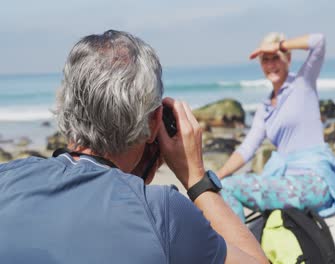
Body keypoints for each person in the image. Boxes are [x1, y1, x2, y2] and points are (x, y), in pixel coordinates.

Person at [0, 30, 268, 264]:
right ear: (155, 123)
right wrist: (196, 179)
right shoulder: (163, 213)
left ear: (67, 105)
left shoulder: (7, 179)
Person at [216, 32, 335, 222]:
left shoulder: (303, 83)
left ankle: (242, 249)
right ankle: (242, 244)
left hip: (314, 181)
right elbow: (247, 148)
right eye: (265, 60)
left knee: (229, 187)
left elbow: (319, 41)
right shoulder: (265, 107)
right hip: (284, 180)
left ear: (288, 59)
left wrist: (281, 45)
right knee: (223, 185)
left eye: (275, 58)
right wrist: (216, 176)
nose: (270, 65)